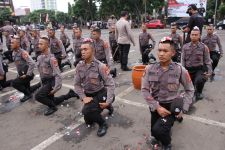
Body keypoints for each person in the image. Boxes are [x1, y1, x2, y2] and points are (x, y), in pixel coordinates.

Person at [141, 36, 194, 150]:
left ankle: (167, 144)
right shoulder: (149, 69)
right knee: (154, 132)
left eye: (165, 51)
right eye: (159, 50)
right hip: (155, 105)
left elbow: (190, 89)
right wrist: (157, 107)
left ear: (173, 53)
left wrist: (183, 108)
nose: (161, 54)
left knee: (159, 130)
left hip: (172, 106)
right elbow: (144, 90)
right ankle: (164, 130)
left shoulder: (180, 70)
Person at [74, 38, 115, 137]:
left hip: (100, 93)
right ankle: (106, 107)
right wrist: (83, 97)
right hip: (89, 95)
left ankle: (103, 124)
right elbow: (77, 85)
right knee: (88, 121)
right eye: (82, 49)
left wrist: (108, 100)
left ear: (93, 51)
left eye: (85, 49)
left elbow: (110, 84)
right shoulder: (79, 66)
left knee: (86, 111)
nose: (82, 52)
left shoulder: (100, 66)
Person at [35, 36, 79, 116]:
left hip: (51, 82)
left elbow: (58, 74)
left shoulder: (52, 59)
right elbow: (41, 73)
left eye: (41, 44)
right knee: (54, 100)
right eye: (39, 44)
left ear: (47, 45)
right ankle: (70, 94)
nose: (39, 45)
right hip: (45, 82)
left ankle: (53, 107)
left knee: (38, 96)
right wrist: (42, 84)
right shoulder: (39, 57)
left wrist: (56, 88)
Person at [182, 27, 212, 100]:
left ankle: (199, 92)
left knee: (199, 80)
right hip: (188, 69)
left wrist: (210, 72)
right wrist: (182, 71)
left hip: (199, 69)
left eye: (196, 35)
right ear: (190, 35)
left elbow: (207, 60)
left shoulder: (204, 47)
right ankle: (190, 91)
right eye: (192, 34)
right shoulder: (185, 47)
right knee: (188, 85)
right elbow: (182, 60)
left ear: (199, 36)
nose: (194, 36)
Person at [11, 36, 35, 102]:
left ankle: (28, 94)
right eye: (11, 43)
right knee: (27, 87)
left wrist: (28, 74)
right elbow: (18, 65)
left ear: (18, 44)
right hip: (21, 74)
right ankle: (30, 91)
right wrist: (18, 74)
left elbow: (32, 63)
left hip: (27, 75)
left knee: (14, 83)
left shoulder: (23, 52)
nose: (11, 44)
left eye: (13, 43)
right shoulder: (14, 52)